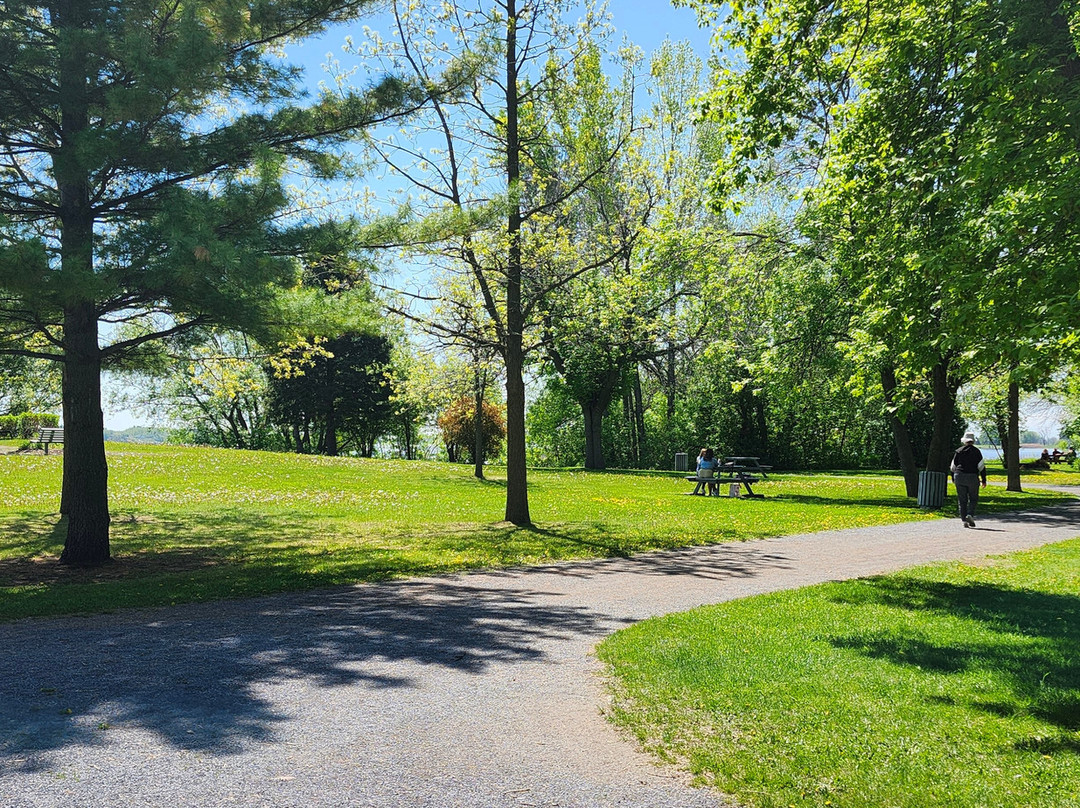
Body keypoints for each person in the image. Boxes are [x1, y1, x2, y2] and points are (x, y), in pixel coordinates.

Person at [951, 432, 987, 528]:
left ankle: (964, 520)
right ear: (973, 441)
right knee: (973, 498)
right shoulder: (976, 451)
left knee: (962, 499)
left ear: (964, 441)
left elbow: (953, 466)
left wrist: (953, 477)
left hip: (959, 476)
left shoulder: (958, 451)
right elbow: (981, 467)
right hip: (972, 477)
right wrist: (984, 480)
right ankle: (970, 514)